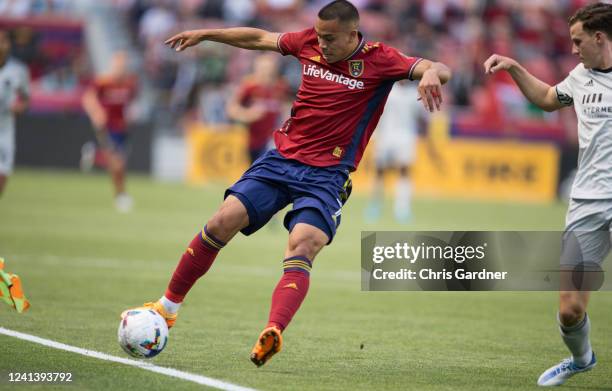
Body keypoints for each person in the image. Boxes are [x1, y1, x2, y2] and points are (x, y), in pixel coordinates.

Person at [124, 0, 450, 367]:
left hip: (327, 176)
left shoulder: (381, 59)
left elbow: (436, 66)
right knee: (220, 221)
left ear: (352, 33)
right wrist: (206, 33)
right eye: (320, 36)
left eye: (330, 38)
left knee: (303, 245)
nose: (322, 44)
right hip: (280, 160)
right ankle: (167, 308)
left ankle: (273, 331)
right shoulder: (308, 41)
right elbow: (260, 37)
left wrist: (432, 73)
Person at [484, 2, 611, 386]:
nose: (574, 49)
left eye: (578, 41)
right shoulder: (580, 77)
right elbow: (546, 99)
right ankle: (581, 358)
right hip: (588, 202)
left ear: (599, 37)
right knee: (570, 310)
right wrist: (513, 67)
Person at [82, 51, 138, 212]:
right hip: (107, 127)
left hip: (122, 128)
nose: (121, 69)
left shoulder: (130, 84)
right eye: (118, 66)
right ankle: (121, 196)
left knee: (118, 164)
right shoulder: (103, 82)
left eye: (123, 66)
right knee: (118, 163)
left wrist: (131, 115)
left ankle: (95, 156)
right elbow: (88, 98)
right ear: (113, 66)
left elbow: (131, 102)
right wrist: (96, 113)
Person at [366, 80, 425, 223]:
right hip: (385, 136)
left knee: (404, 171)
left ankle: (402, 209)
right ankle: (375, 206)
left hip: (406, 137)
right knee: (380, 172)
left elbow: (421, 117)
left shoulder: (414, 93)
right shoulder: (388, 90)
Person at [226, 52, 289, 164]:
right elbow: (232, 109)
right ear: (256, 69)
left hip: (274, 140)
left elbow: (285, 107)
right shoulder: (249, 86)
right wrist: (247, 115)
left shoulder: (281, 86)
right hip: (253, 140)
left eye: (269, 68)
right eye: (263, 68)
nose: (266, 72)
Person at [0, 30, 29, 197]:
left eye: (4, 41)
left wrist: (20, 107)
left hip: (5, 129)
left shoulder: (18, 70)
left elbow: (25, 98)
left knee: (4, 171)